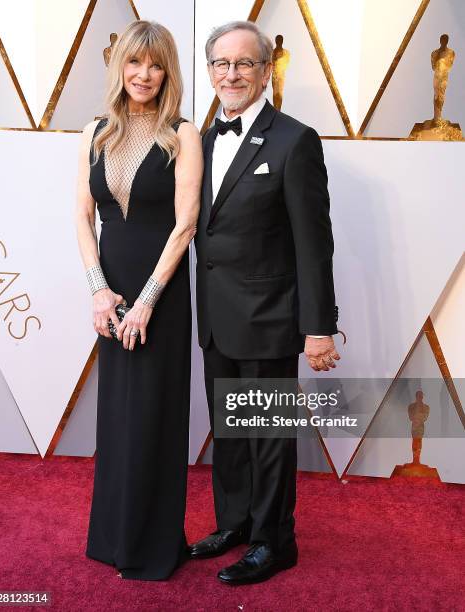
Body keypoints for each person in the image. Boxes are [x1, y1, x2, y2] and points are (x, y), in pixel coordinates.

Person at [189, 21, 341, 585]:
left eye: (244, 64)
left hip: (271, 317)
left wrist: (318, 327)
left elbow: (313, 242)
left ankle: (274, 542)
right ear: (209, 73)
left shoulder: (294, 139)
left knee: (268, 437)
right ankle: (234, 524)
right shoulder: (200, 141)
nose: (232, 74)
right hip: (216, 318)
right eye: (221, 64)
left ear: (266, 70)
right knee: (229, 432)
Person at [75, 20, 202, 580]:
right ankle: (112, 538)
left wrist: (148, 300)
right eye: (134, 63)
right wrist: (98, 291)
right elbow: (81, 217)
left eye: (154, 64)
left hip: (162, 293)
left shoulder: (184, 134)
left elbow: (186, 225)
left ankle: (153, 547)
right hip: (111, 291)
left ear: (167, 70)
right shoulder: (95, 131)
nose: (143, 75)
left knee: (154, 413)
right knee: (118, 415)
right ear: (119, 67)